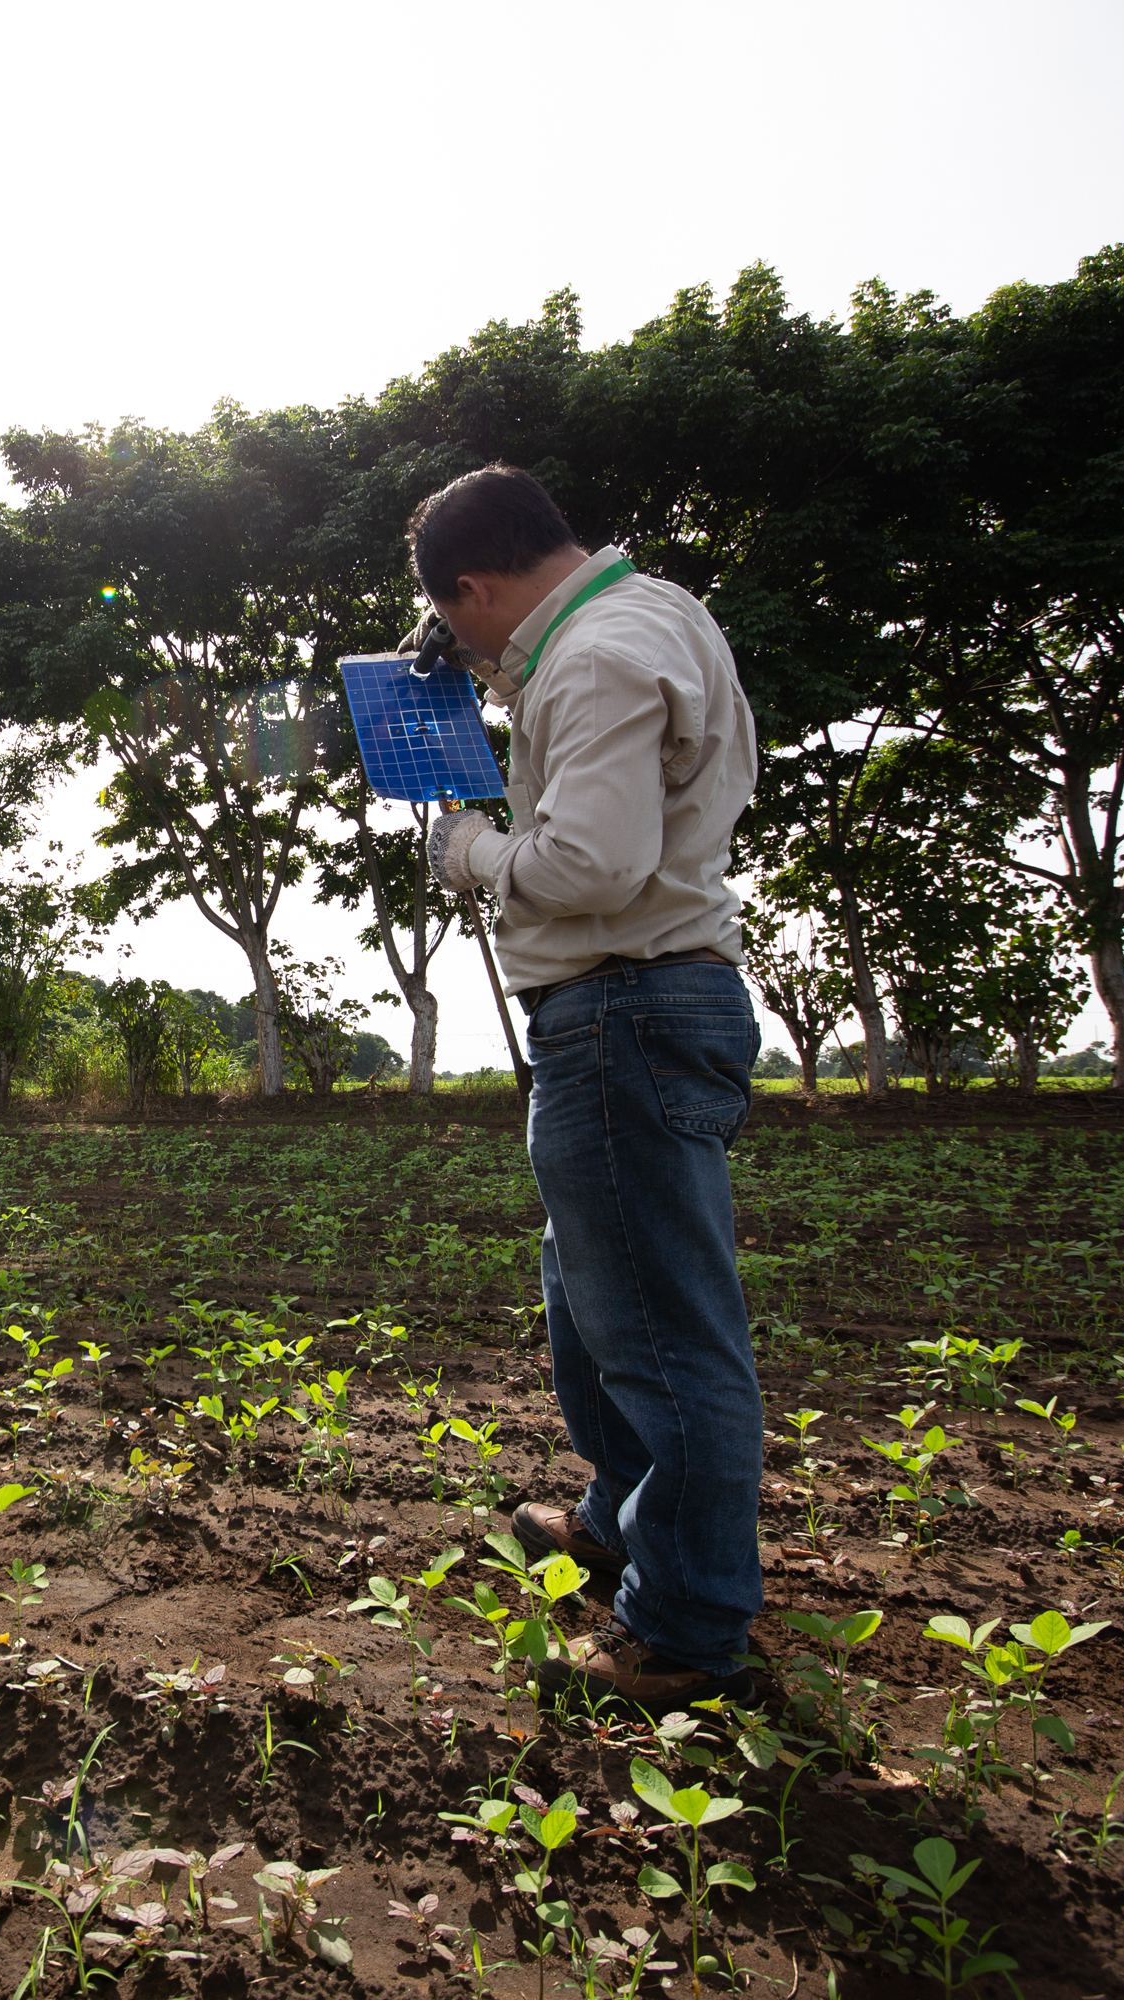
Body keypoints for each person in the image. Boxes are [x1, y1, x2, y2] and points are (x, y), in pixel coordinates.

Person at [411, 463, 765, 1712]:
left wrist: (468, 848)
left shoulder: (597, 656)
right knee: (597, 1305)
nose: (459, 646)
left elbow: (592, 862)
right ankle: (619, 1524)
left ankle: (683, 1627)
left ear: (477, 584)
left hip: (625, 1000)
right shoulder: (652, 613)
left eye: (456, 620)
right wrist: (489, 678)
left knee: (664, 1335)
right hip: (633, 1006)